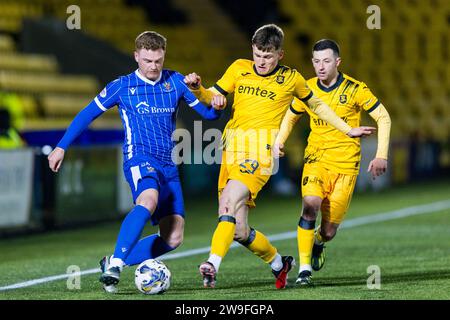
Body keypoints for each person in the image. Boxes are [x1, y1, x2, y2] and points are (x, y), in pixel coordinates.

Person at [184, 24, 375, 289]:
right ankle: (279, 264)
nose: (261, 61)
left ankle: (212, 264)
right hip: (231, 152)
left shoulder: (291, 79)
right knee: (237, 229)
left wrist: (347, 128)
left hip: (259, 155)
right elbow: (212, 96)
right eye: (258, 54)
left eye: (268, 56)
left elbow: (318, 106)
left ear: (280, 55)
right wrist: (198, 89)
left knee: (228, 202)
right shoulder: (239, 67)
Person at [47, 31, 226, 293]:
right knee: (148, 200)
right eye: (147, 61)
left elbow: (209, 115)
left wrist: (218, 105)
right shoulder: (122, 86)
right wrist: (61, 146)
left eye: (158, 61)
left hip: (169, 166)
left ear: (164, 56)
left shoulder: (175, 82)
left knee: (173, 238)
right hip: (139, 157)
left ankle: (110, 261)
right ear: (136, 57)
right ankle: (117, 265)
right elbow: (88, 114)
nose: (153, 67)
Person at [273, 39, 391, 286]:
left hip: (346, 166)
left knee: (328, 231)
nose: (321, 66)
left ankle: (317, 242)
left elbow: (383, 117)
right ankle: (304, 270)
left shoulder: (355, 89)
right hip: (316, 158)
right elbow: (291, 116)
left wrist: (381, 155)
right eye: (316, 61)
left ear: (337, 62)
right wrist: (279, 141)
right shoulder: (308, 89)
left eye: (326, 61)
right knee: (309, 206)